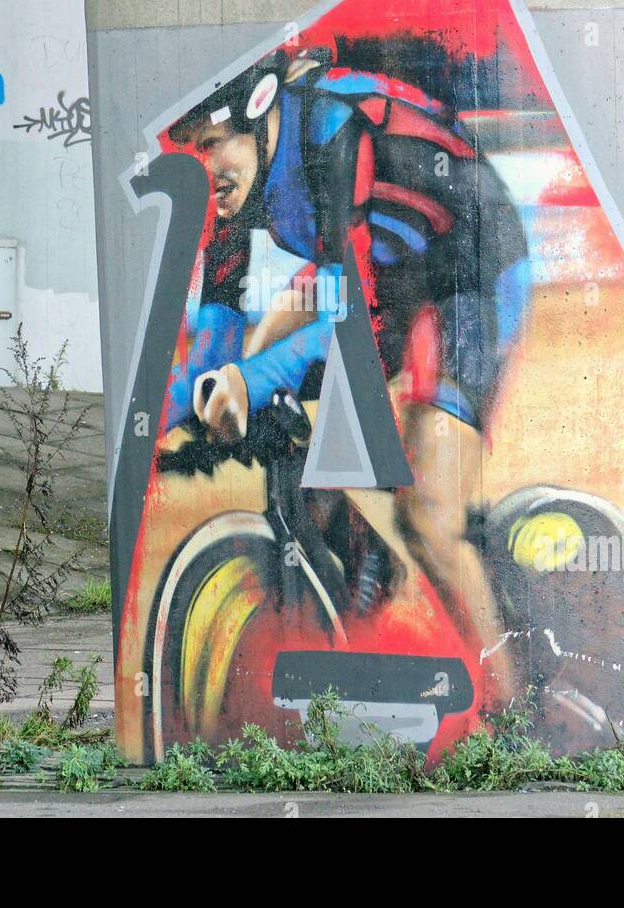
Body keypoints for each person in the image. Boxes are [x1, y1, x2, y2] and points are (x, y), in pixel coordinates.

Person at [163, 45, 534, 707]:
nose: (207, 166)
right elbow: (211, 356)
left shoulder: (331, 130)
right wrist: (169, 419)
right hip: (386, 268)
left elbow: (350, 319)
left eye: (214, 144)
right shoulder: (230, 188)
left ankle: (517, 713)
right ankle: (358, 547)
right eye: (195, 149)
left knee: (430, 517)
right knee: (258, 353)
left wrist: (252, 381)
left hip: (466, 273)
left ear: (257, 113)